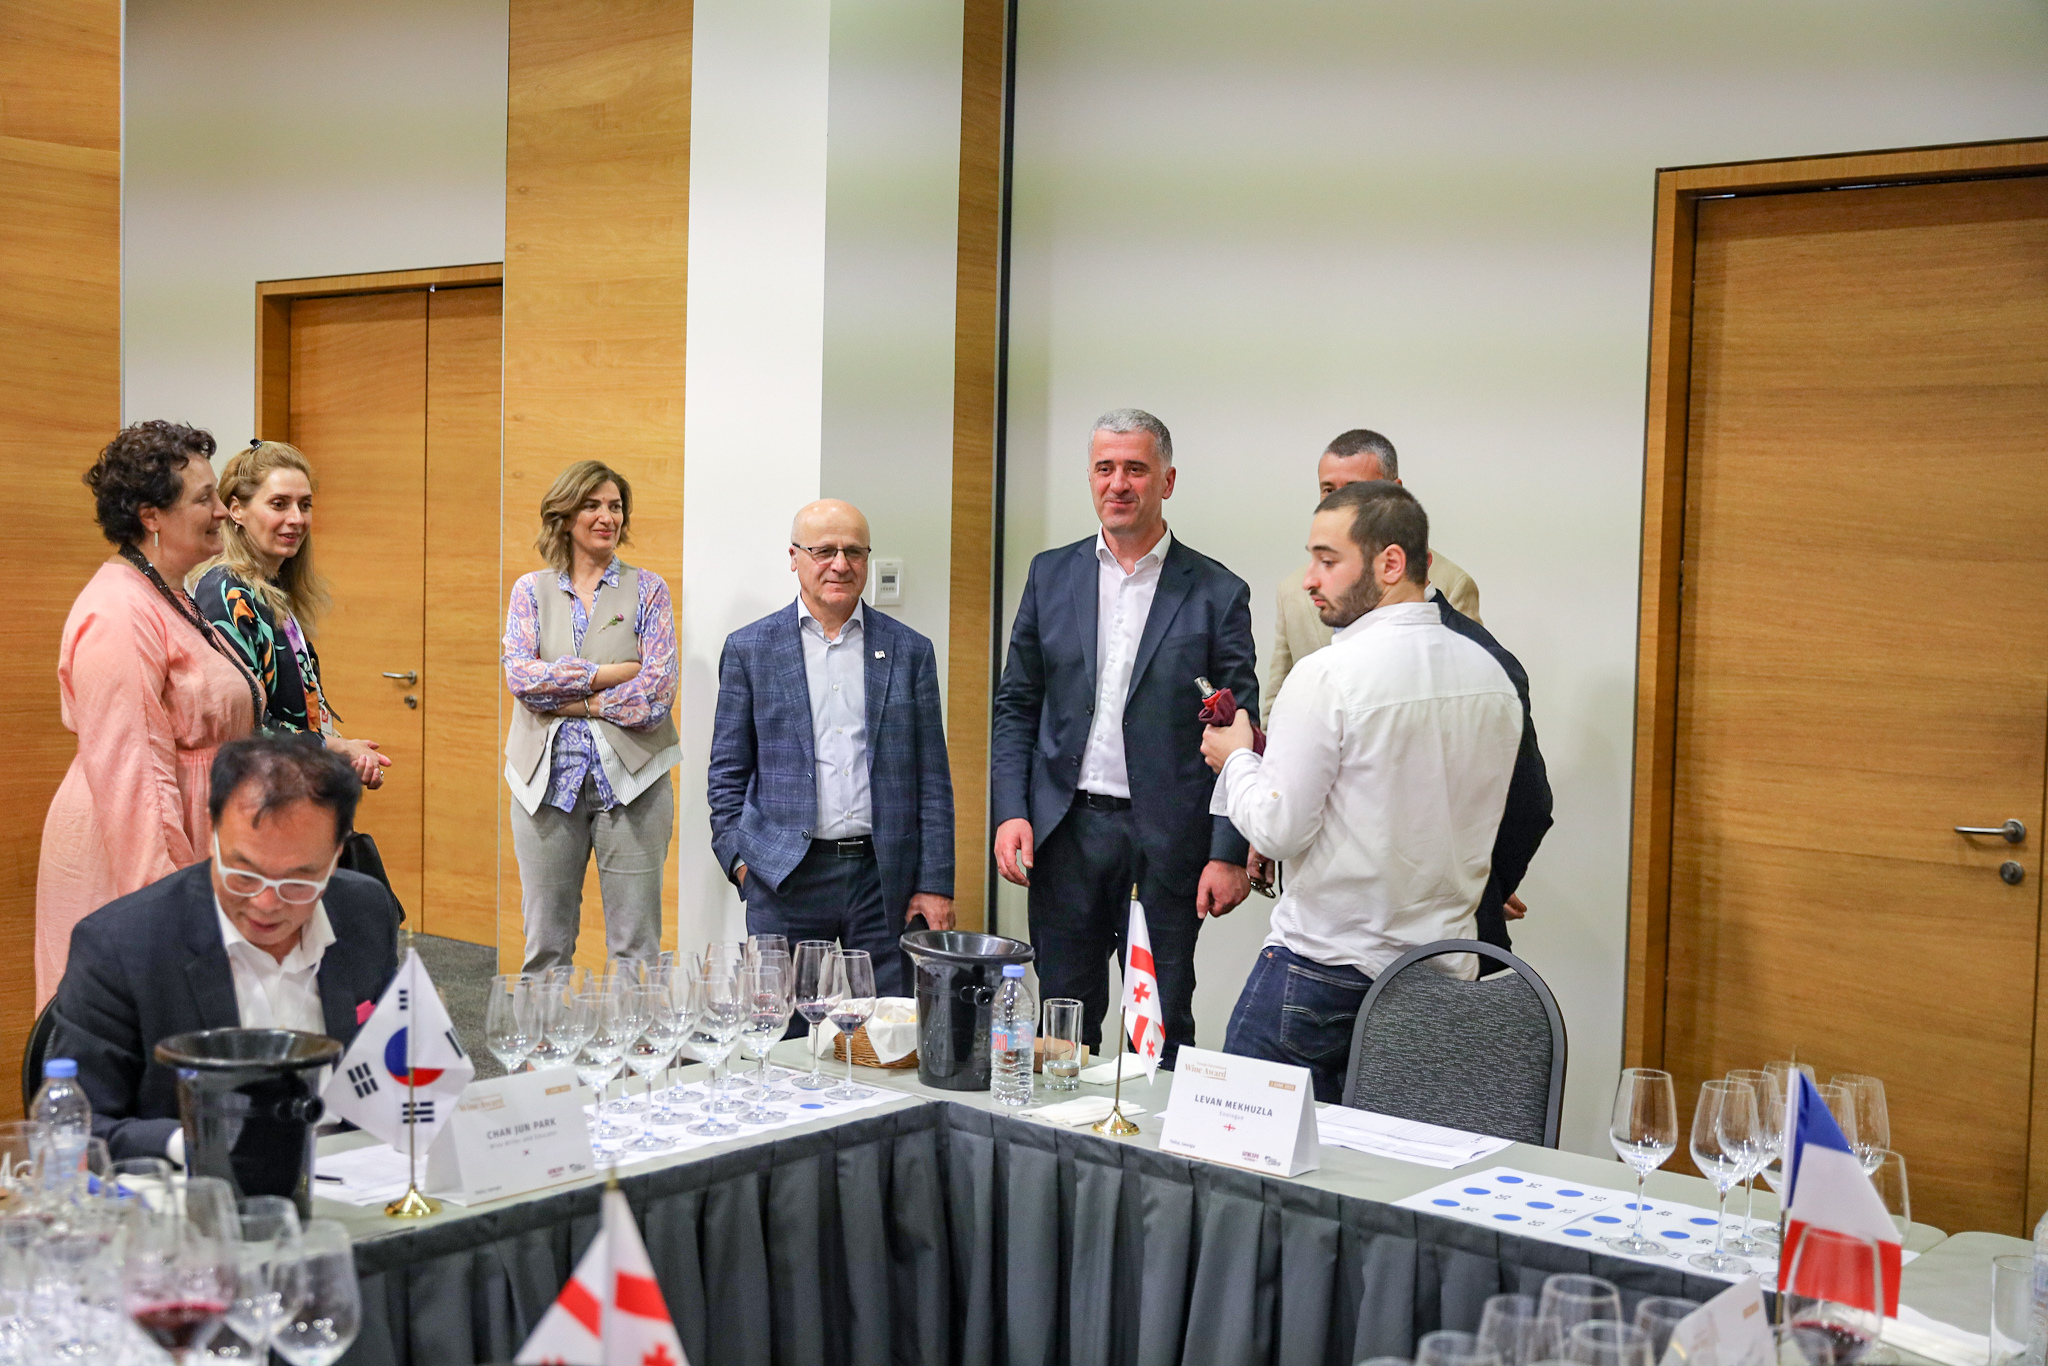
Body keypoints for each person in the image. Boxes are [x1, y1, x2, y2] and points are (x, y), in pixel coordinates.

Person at [1202, 481, 1523, 1102]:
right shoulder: (1492, 678)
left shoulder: (1327, 676)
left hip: (1324, 973)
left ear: (1391, 563)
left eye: (1328, 561)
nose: (1309, 580)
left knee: (1242, 1152)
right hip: (1441, 977)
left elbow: (1277, 831)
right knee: (1392, 1162)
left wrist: (1236, 759)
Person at [991, 408, 1257, 1063]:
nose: (1118, 483)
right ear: (1090, 477)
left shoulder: (1217, 592)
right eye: (1105, 468)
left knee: (1159, 1025)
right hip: (1066, 835)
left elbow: (1239, 727)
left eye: (1135, 469)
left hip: (1166, 841)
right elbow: (1017, 706)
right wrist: (1011, 811)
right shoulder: (1050, 575)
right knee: (1063, 1023)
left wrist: (1228, 850)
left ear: (1167, 481)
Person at [46, 734, 402, 1161]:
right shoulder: (122, 945)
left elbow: (399, 1067)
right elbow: (76, 1127)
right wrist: (199, 1146)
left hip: (355, 1175)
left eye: (298, 881)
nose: (266, 903)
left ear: (336, 852)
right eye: (244, 875)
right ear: (213, 833)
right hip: (194, 1188)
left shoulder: (363, 910)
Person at [36, 422, 264, 1007]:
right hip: (139, 853)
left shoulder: (169, 590)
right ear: (151, 516)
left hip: (195, 834)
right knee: (143, 1025)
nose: (223, 511)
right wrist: (175, 914)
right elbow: (134, 779)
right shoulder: (118, 611)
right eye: (205, 499)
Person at [709, 500, 954, 998]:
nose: (840, 564)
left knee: (884, 1027)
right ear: (794, 558)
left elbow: (932, 779)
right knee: (783, 1028)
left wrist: (934, 883)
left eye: (853, 552)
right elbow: (727, 773)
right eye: (824, 551)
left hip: (882, 880)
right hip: (784, 877)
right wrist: (742, 864)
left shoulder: (910, 651)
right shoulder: (750, 649)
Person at [503, 461, 679, 973]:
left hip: (634, 785)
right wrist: (608, 674)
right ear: (564, 515)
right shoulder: (529, 591)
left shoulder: (649, 590)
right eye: (592, 505)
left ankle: (634, 1034)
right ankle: (545, 1032)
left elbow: (655, 695)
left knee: (636, 951)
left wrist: (572, 697)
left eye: (615, 506)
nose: (607, 517)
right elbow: (522, 678)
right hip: (543, 787)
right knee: (545, 948)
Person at [193, 440, 390, 788]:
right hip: (254, 794)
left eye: (305, 505)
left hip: (290, 785)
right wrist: (334, 748)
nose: (297, 519)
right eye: (279, 504)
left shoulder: (270, 588)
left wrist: (343, 751)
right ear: (236, 510)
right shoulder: (225, 592)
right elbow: (244, 723)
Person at [1262, 428, 1480, 705]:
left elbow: (1468, 695)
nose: (1338, 504)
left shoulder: (1450, 585)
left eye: (1354, 490)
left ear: (1396, 491)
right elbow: (1277, 701)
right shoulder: (1294, 591)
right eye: (1328, 490)